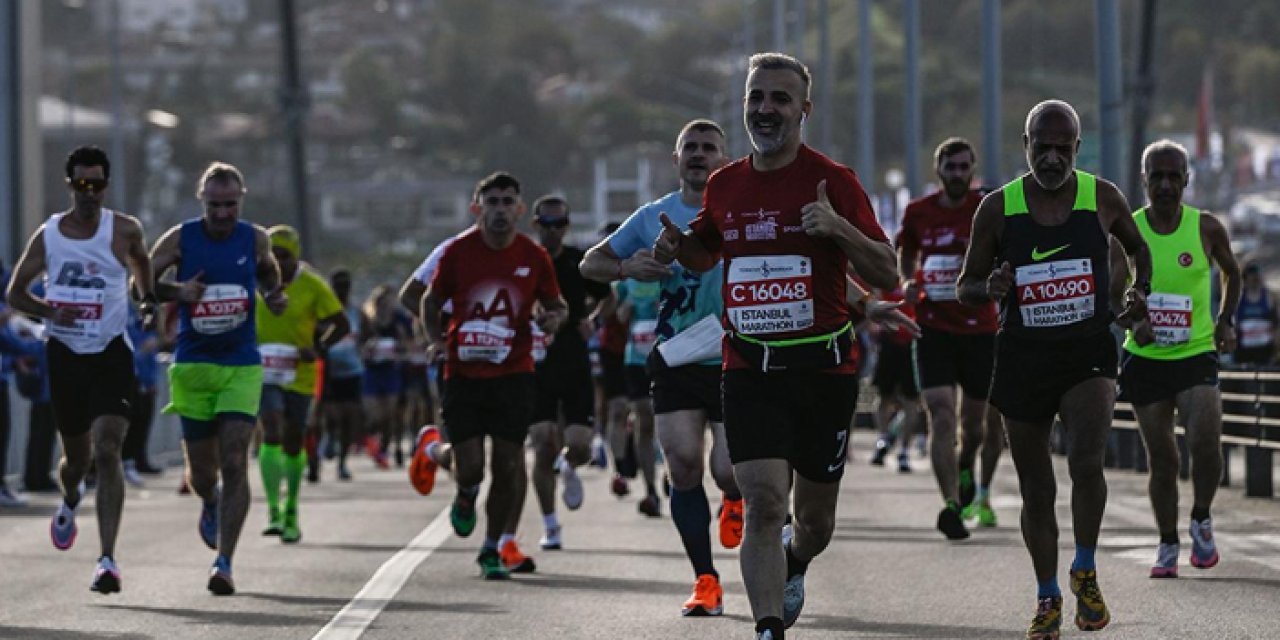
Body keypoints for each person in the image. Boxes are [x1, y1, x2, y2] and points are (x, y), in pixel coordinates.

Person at [654, 55, 898, 640]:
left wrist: (837, 227)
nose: (766, 109)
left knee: (814, 524)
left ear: (803, 111)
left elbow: (887, 271)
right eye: (755, 97)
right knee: (763, 504)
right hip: (750, 369)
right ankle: (767, 629)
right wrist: (675, 248)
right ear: (743, 105)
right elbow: (705, 252)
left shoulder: (834, 181)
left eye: (780, 99)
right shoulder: (725, 183)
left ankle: (796, 559)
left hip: (825, 372)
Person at [956, 100, 1151, 639]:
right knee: (1036, 490)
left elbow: (1139, 250)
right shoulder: (998, 209)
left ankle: (1084, 567)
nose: (1050, 158)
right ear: (1026, 146)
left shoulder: (1102, 196)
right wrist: (987, 289)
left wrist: (1140, 290)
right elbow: (965, 285)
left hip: (1087, 351)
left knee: (1087, 462)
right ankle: (1047, 595)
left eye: (1061, 148)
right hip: (1023, 357)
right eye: (1041, 147)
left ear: (1076, 149)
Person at [582, 119, 747, 618]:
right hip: (676, 358)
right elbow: (591, 263)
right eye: (690, 148)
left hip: (735, 356)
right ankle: (705, 579)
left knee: (727, 469)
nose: (699, 155)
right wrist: (625, 267)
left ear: (725, 158)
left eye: (708, 148)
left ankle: (735, 497)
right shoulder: (652, 216)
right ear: (677, 161)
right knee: (682, 465)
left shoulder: (741, 208)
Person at [6, 145, 157, 594]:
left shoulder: (124, 229)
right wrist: (48, 311)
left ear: (106, 185)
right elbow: (16, 294)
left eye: (97, 183)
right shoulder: (49, 235)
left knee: (109, 449)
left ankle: (107, 560)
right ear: (70, 185)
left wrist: (147, 300)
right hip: (65, 355)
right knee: (76, 461)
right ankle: (71, 495)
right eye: (81, 184)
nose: (89, 192)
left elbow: (142, 264)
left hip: (111, 353)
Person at [409, 172, 567, 580]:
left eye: (507, 202)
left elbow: (556, 304)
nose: (499, 210)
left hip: (514, 373)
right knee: (473, 468)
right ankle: (457, 484)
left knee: (509, 465)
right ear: (477, 208)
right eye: (491, 202)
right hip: (463, 372)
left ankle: (491, 546)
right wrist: (437, 340)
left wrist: (552, 320)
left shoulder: (533, 257)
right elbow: (429, 300)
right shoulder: (458, 252)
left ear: (519, 209)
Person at [149, 161, 285, 595]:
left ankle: (224, 562)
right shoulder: (180, 238)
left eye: (230, 204)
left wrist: (273, 293)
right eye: (215, 205)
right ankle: (209, 500)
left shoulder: (255, 237)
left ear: (240, 200)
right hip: (193, 365)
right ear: (201, 201)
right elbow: (142, 284)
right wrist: (179, 292)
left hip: (241, 364)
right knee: (205, 475)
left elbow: (267, 270)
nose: (223, 214)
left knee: (234, 459)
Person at [1112, 139, 1240, 578]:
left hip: (1196, 351)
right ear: (1143, 180)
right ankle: (1168, 542)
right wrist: (1132, 324)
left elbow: (1232, 272)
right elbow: (1111, 292)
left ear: (1186, 180)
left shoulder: (1205, 227)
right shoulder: (1128, 231)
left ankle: (1201, 516)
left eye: (1174, 177)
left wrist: (1225, 320)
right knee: (1163, 458)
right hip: (1146, 357)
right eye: (1157, 177)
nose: (1165, 185)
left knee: (1206, 440)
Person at [897, 137, 1006, 537]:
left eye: (964, 167)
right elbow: (907, 253)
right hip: (933, 327)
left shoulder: (988, 207)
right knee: (941, 414)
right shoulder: (918, 213)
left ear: (972, 170)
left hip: (980, 329)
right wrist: (908, 279)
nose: (957, 174)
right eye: (950, 167)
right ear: (938, 170)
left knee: (974, 427)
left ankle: (965, 469)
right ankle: (950, 505)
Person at [526, 196, 611, 550]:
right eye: (546, 224)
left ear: (567, 226)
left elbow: (608, 295)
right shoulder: (524, 260)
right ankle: (550, 526)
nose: (553, 231)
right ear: (535, 225)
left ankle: (569, 465)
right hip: (535, 362)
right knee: (543, 442)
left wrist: (594, 320)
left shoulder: (579, 261)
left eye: (559, 224)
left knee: (579, 445)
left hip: (573, 359)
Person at [254, 224, 348, 543]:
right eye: (273, 255)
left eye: (285, 256)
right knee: (271, 427)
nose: (278, 263)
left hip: (299, 372)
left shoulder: (312, 285)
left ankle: (292, 508)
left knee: (294, 439)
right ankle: (273, 510)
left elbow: (341, 324)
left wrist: (319, 348)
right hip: (263, 370)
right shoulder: (255, 281)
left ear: (296, 257)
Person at [612, 275, 662, 516]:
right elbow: (618, 317)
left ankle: (672, 474)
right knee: (645, 420)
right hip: (636, 358)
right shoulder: (626, 281)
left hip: (668, 356)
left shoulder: (669, 273)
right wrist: (626, 308)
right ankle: (651, 488)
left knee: (669, 420)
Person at [868, 285, 922, 474]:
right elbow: (872, 298)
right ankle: (883, 439)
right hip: (889, 342)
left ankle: (904, 451)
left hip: (912, 343)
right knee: (884, 396)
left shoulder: (917, 274)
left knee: (911, 401)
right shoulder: (885, 275)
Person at [319, 268, 365, 480]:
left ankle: (342, 462)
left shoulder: (357, 312)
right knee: (331, 415)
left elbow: (368, 332)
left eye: (346, 286)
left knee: (349, 417)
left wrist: (365, 346)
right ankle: (329, 437)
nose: (342, 290)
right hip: (329, 370)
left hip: (352, 371)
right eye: (338, 286)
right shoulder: (324, 310)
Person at [1233, 262, 1277, 365]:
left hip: (1265, 351)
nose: (1255, 279)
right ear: (1246, 278)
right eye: (1252, 276)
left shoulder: (1269, 296)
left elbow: (1276, 325)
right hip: (1244, 353)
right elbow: (1233, 325)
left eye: (1257, 276)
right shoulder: (1238, 298)